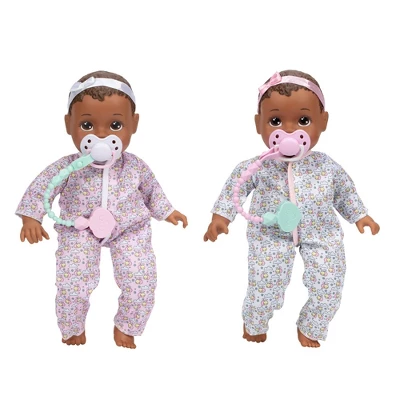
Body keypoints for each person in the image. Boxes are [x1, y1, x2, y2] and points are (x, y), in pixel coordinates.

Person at [203, 70, 379, 347]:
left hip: (321, 233)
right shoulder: (258, 165)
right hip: (269, 234)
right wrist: (221, 217)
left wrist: (360, 215)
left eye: (303, 121)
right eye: (275, 121)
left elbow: (345, 192)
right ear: (258, 124)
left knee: (329, 283)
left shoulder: (326, 165)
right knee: (264, 286)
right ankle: (255, 323)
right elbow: (234, 188)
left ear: (323, 122)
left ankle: (311, 325)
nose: (288, 131)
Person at [16, 71, 188, 349]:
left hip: (129, 230)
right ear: (69, 124)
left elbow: (152, 191)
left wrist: (168, 211)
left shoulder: (135, 166)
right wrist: (31, 217)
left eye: (116, 125)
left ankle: (128, 326)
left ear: (134, 124)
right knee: (72, 282)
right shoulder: (67, 167)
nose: (101, 136)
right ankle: (72, 327)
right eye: (87, 125)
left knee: (141, 280)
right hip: (78, 229)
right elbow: (42, 187)